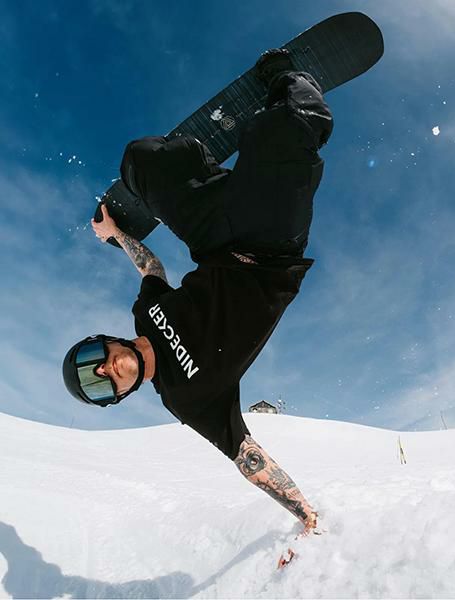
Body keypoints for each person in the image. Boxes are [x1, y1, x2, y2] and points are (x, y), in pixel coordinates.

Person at [62, 49, 333, 535]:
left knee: (139, 160)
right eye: (98, 385)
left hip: (214, 241)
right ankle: (286, 82)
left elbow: (151, 268)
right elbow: (247, 456)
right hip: (271, 252)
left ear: (101, 342)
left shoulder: (144, 313)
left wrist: (116, 235)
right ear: (117, 396)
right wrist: (304, 512)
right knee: (288, 133)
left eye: (91, 362)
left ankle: (200, 166)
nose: (103, 371)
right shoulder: (186, 400)